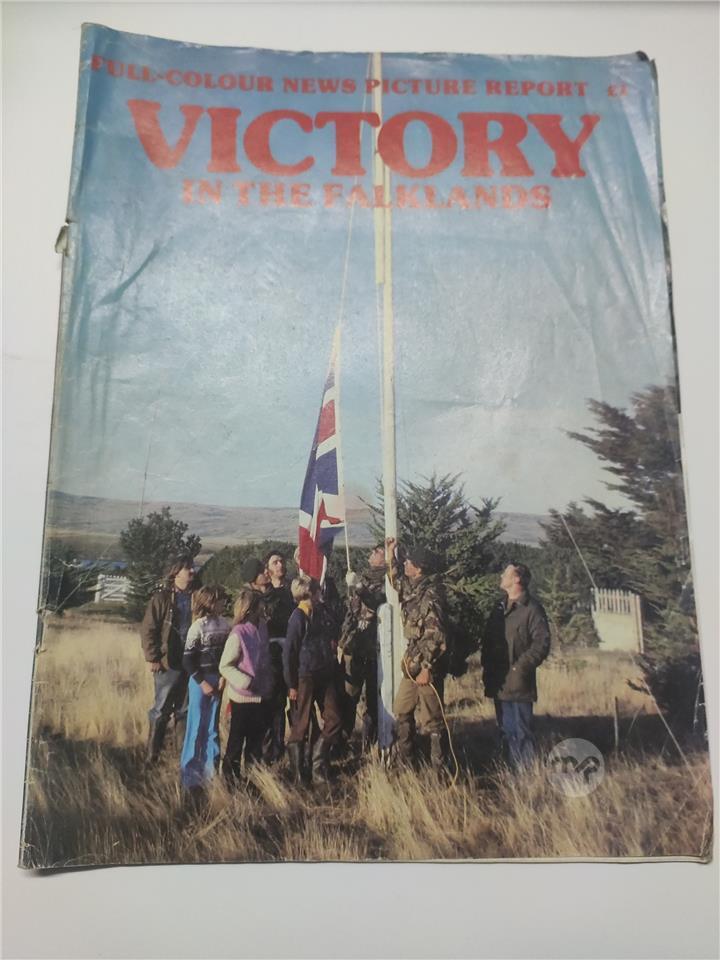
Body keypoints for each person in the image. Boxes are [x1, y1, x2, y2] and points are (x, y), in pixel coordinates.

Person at [386, 538, 448, 770]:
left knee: (433, 720)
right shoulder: (413, 587)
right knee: (402, 710)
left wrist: (426, 668)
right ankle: (407, 763)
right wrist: (390, 554)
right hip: (412, 665)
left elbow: (436, 635)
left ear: (419, 568)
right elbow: (395, 580)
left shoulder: (430, 595)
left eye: (408, 562)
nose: (405, 564)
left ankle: (439, 771)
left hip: (425, 667)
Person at [481, 563, 551, 769]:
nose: (501, 576)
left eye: (506, 573)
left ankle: (525, 776)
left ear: (517, 579)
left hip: (519, 683)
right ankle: (507, 772)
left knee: (522, 733)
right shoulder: (499, 608)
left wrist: (520, 668)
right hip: (499, 681)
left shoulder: (532, 609)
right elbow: (488, 640)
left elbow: (542, 643)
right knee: (505, 730)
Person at [283, 574, 343, 783]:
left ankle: (317, 764)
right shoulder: (297, 618)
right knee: (301, 724)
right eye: (317, 590)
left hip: (324, 674)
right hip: (305, 676)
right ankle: (299, 774)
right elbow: (289, 653)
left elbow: (334, 629)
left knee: (334, 719)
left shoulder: (320, 613)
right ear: (309, 593)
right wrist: (291, 684)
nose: (320, 593)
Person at [140, 555, 196, 763]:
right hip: (167, 662)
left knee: (184, 710)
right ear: (176, 572)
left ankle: (181, 758)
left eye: (192, 567)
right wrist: (153, 657)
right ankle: (152, 757)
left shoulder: (196, 597)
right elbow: (148, 629)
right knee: (161, 709)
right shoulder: (161, 598)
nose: (192, 571)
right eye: (188, 568)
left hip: (189, 662)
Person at [219, 588, 274, 782]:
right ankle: (229, 779)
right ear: (251, 608)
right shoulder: (238, 633)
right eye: (260, 604)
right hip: (242, 698)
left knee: (255, 742)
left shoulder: (263, 628)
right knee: (236, 741)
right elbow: (225, 665)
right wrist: (246, 681)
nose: (264, 607)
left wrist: (268, 682)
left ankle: (252, 779)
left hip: (261, 695)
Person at [180, 585, 231, 788]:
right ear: (210, 602)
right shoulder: (197, 627)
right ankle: (190, 775)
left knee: (212, 727)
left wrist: (223, 677)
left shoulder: (225, 625)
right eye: (220, 600)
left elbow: (227, 655)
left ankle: (211, 771)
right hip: (200, 681)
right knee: (196, 725)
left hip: (217, 679)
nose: (223, 603)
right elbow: (188, 660)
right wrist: (201, 682)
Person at [339, 544, 385, 748]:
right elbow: (351, 611)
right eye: (372, 550)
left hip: (374, 651)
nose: (372, 553)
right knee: (348, 697)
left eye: (377, 551)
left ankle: (370, 743)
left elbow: (376, 603)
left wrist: (358, 587)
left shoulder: (388, 582)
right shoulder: (364, 578)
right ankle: (342, 741)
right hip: (355, 648)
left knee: (373, 701)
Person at [262, 551, 295, 762]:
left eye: (282, 561)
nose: (280, 565)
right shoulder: (264, 594)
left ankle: (294, 748)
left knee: (293, 702)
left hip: (291, 652)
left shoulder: (293, 590)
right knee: (274, 703)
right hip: (271, 654)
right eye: (275, 562)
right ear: (267, 568)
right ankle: (272, 750)